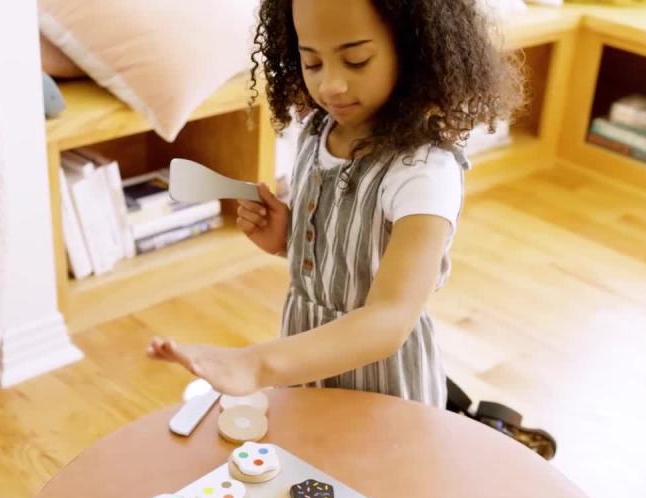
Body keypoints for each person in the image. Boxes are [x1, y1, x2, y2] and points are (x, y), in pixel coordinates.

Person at [147, 0, 522, 407]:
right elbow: (345, 251)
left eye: (356, 60)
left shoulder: (423, 171)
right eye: (312, 62)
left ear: (414, 49)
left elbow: (390, 318)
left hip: (383, 383)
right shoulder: (318, 131)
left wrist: (256, 364)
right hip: (304, 357)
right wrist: (289, 239)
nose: (330, 86)